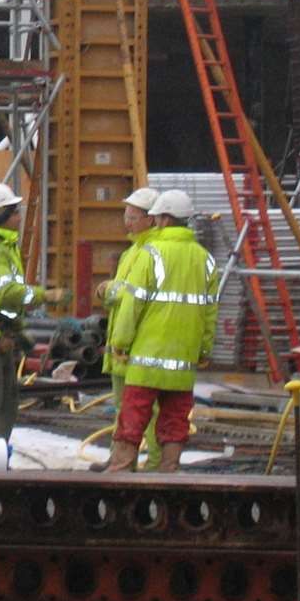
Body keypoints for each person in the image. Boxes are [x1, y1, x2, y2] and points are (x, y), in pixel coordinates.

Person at [106, 189, 220, 473]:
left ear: (165, 219)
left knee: (133, 417)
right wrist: (204, 350)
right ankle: (168, 473)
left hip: (146, 358)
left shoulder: (151, 255)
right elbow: (209, 311)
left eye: (156, 217)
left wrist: (120, 342)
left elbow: (132, 305)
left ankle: (120, 473)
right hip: (183, 361)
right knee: (175, 420)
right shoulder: (205, 260)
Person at [0, 183, 67, 441]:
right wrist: (46, 295)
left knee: (6, 404)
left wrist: (19, 331)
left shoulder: (4, 248)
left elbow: (6, 304)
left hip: (0, 337)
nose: (20, 218)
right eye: (14, 212)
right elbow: (6, 293)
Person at [96, 187, 162, 470]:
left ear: (151, 219)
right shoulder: (133, 251)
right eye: (127, 215)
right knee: (122, 409)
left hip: (137, 344)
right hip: (123, 344)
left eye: (134, 216)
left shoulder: (152, 252)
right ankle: (120, 458)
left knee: (148, 409)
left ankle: (155, 462)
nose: (127, 221)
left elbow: (131, 294)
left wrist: (109, 290)